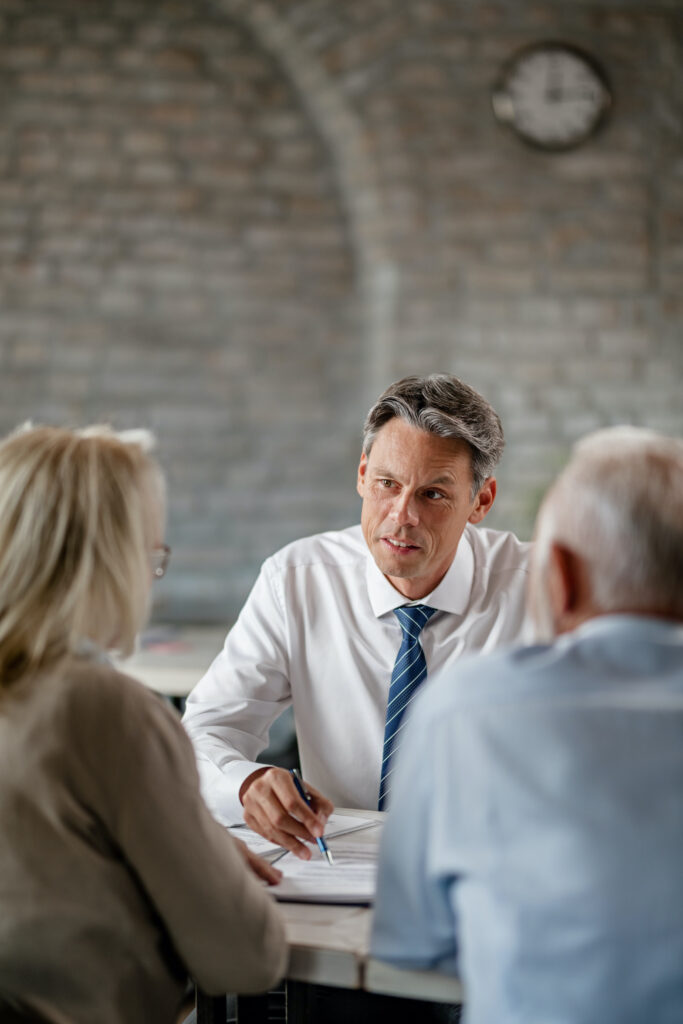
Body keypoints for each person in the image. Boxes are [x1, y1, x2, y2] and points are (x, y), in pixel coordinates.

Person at [371, 426, 683, 1024]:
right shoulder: (299, 574)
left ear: (560, 576)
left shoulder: (469, 710)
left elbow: (410, 942)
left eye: (435, 493)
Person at [0, 425, 286, 1024]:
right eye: (151, 555)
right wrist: (206, 854)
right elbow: (246, 962)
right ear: (110, 560)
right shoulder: (110, 711)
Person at [183, 374, 530, 856]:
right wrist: (247, 784)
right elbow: (204, 732)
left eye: (432, 495)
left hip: (493, 867)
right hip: (336, 868)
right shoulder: (297, 580)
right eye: (388, 484)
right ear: (363, 473)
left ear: (481, 501)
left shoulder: (540, 590)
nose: (401, 515)